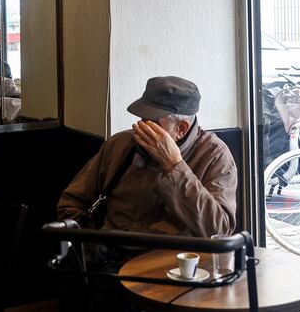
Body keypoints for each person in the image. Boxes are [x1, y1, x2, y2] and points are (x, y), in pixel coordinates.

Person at [57, 76, 237, 239]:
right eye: (142, 118)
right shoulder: (120, 145)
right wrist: (89, 246)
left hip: (171, 268)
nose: (141, 127)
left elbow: (219, 231)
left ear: (181, 129)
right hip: (107, 260)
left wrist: (174, 166)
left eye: (152, 122)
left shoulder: (215, 156)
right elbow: (71, 202)